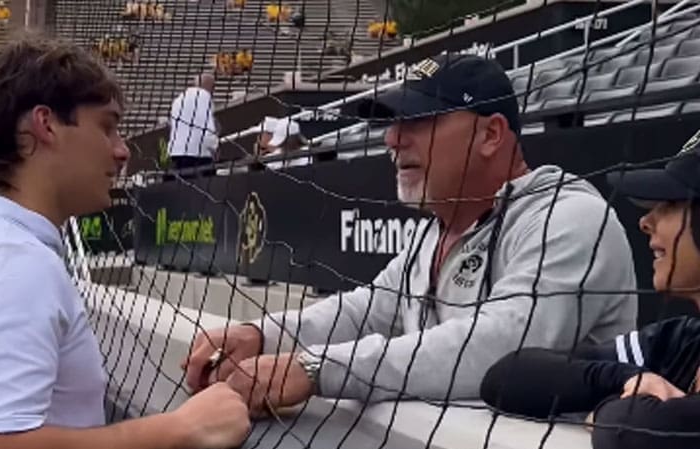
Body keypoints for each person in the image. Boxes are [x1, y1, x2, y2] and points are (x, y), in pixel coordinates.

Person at [183, 53, 638, 416]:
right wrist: (262, 334)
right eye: (394, 123)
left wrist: (316, 368)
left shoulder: (571, 217)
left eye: (420, 121)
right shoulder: (435, 231)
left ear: (491, 135)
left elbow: (500, 344)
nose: (393, 139)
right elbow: (369, 308)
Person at [0, 34, 250, 449]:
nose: (122, 150)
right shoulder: (4, 260)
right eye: (107, 127)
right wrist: (180, 429)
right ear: (45, 125)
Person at [480, 129, 700, 449]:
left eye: (672, 205)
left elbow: (633, 440)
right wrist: (626, 379)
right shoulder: (683, 341)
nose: (646, 221)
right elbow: (505, 377)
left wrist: (604, 408)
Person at [167, 73, 218, 175]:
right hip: (198, 153)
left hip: (176, 152)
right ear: (211, 87)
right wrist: (214, 146)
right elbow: (207, 126)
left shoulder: (178, 99)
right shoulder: (204, 96)